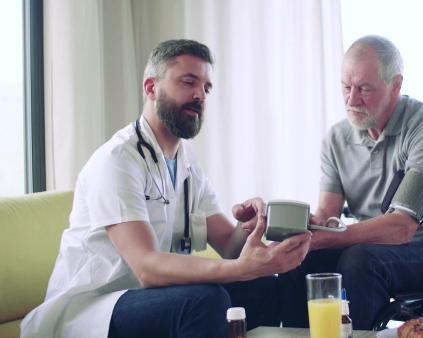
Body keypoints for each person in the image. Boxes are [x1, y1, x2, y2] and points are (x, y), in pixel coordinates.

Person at [20, 39, 312, 338]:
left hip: (153, 298)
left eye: (206, 88)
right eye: (189, 82)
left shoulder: (187, 165)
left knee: (262, 288)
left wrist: (252, 227)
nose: (200, 95)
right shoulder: (118, 160)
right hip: (91, 310)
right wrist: (241, 268)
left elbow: (230, 246)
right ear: (151, 88)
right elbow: (147, 267)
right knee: (205, 301)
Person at [278, 35, 423, 330]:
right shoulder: (336, 139)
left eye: (365, 88)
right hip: (370, 246)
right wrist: (299, 233)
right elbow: (328, 215)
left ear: (395, 85)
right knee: (299, 259)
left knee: (360, 260)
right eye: (346, 87)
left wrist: (327, 239)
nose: (352, 100)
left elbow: (402, 226)